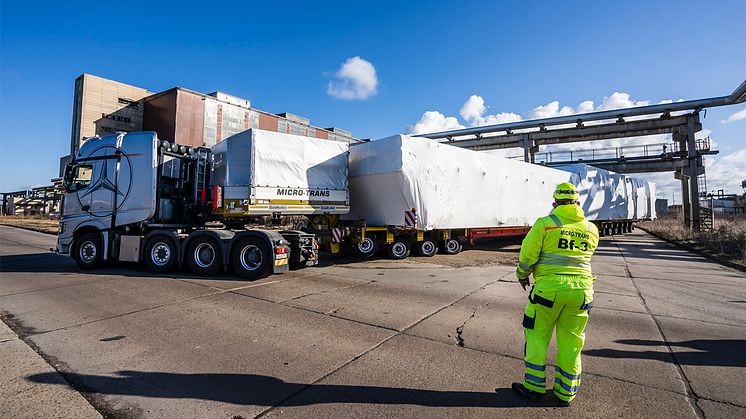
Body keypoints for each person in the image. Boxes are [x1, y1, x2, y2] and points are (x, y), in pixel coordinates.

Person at [512, 182, 599, 406]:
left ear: (554, 203)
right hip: (582, 293)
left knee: (537, 336)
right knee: (572, 342)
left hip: (548, 291)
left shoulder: (545, 224)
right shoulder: (591, 229)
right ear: (578, 203)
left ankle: (533, 387)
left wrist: (522, 274)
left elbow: (528, 254)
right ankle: (565, 393)